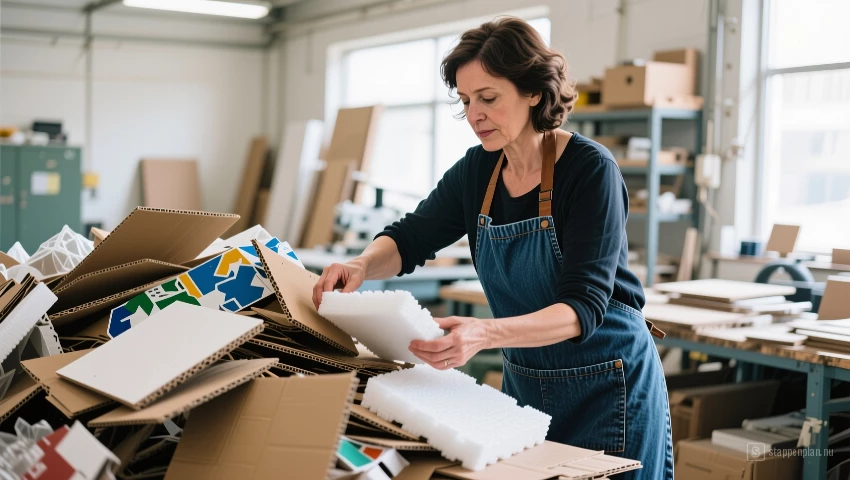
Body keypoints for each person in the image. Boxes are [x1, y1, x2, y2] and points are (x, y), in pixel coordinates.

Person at [313, 16, 673, 479]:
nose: (475, 114)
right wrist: (361, 265)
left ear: (534, 92)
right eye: (466, 101)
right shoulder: (477, 171)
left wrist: (483, 334)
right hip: (528, 386)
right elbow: (409, 238)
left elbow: (582, 308)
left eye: (488, 98)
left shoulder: (589, 170)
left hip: (608, 386)